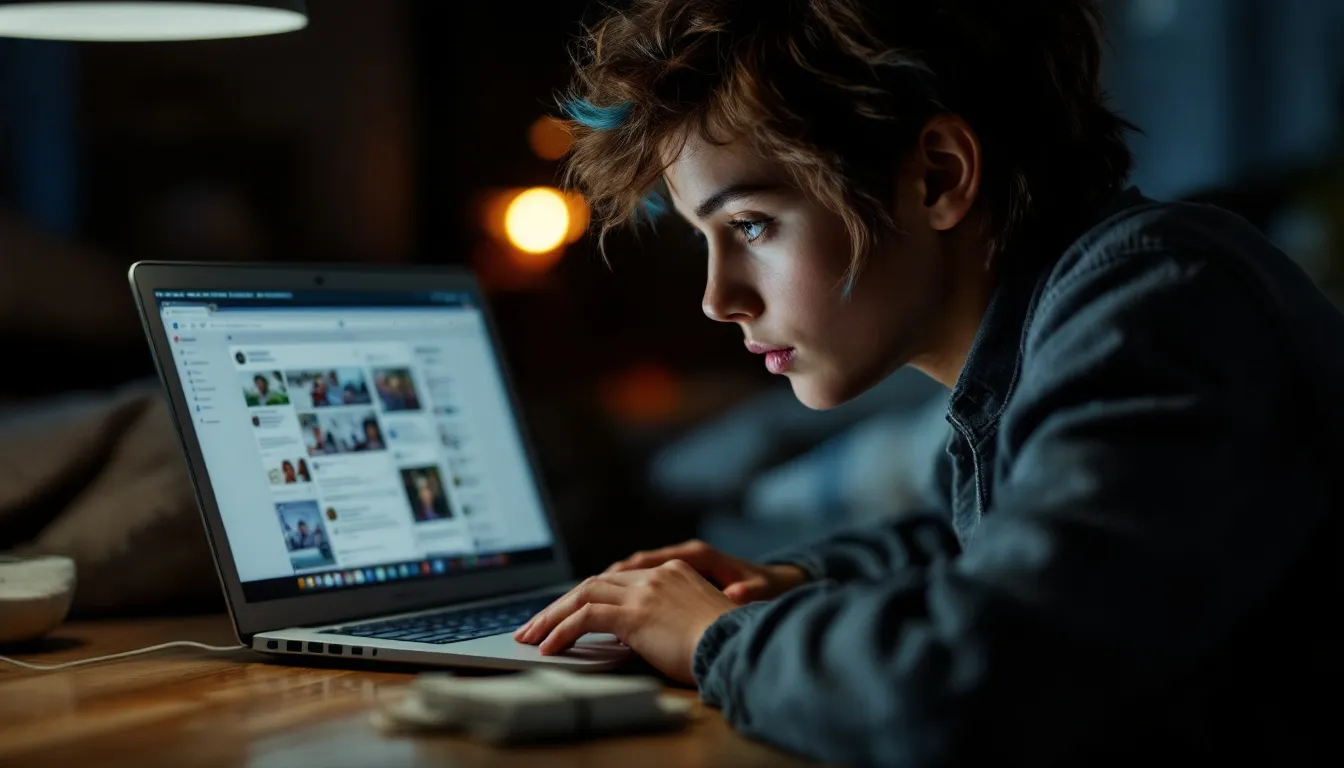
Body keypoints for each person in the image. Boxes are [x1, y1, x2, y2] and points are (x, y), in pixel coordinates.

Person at [513, 1, 1344, 764]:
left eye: (752, 225)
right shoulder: (1049, 328)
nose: (717, 298)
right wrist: (794, 582)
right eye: (707, 239)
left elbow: (973, 678)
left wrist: (715, 639)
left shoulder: (1159, 304)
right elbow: (985, 539)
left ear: (940, 175)